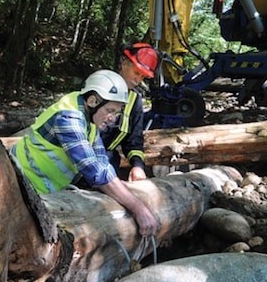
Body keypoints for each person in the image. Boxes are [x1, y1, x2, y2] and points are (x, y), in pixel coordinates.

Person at [10, 69, 158, 237]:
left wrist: (119, 187)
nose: (113, 118)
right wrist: (139, 209)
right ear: (93, 101)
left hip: (37, 192)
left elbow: (102, 161)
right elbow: (94, 171)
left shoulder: (89, 117)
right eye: (110, 110)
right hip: (17, 188)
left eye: (117, 113)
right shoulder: (68, 118)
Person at [101, 42, 160, 182]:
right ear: (123, 62)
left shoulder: (134, 101)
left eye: (143, 77)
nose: (138, 80)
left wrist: (137, 166)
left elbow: (134, 141)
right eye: (136, 73)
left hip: (106, 161)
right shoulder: (99, 87)